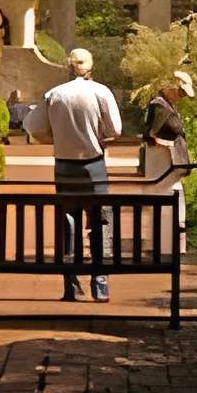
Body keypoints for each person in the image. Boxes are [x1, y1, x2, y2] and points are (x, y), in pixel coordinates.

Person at [38, 49, 125, 301]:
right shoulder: (101, 92)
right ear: (91, 66)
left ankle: (70, 283)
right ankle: (100, 282)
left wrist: (57, 137)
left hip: (64, 165)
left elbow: (33, 127)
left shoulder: (54, 94)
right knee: (100, 221)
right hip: (93, 164)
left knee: (68, 222)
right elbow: (116, 130)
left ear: (68, 66)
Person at [139, 68, 194, 173]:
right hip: (161, 168)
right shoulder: (161, 106)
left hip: (170, 168)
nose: (182, 96)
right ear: (171, 86)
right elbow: (151, 137)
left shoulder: (168, 106)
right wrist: (171, 146)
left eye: (184, 94)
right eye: (181, 92)